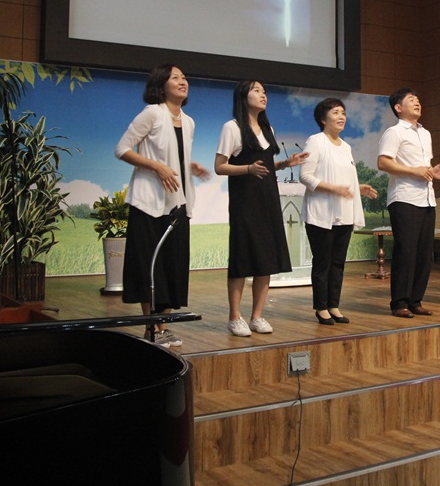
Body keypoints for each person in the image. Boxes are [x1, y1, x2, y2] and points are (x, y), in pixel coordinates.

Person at [115, 64, 210, 348]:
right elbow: (122, 149)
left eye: (184, 77)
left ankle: (163, 326)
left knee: (173, 264)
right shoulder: (152, 113)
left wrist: (189, 165)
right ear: (161, 84)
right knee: (149, 264)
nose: (183, 81)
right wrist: (156, 166)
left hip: (178, 202)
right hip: (148, 202)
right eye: (175, 77)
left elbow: (174, 154)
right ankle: (150, 327)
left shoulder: (188, 122)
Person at [214, 80, 308, 337]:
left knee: (266, 258)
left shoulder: (268, 129)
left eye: (264, 91)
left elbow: (265, 166)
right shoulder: (232, 128)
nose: (263, 95)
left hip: (268, 199)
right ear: (243, 97)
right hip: (245, 201)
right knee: (242, 256)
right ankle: (235, 317)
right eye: (256, 91)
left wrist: (284, 164)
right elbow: (219, 166)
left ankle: (257, 316)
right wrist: (247, 169)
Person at [300, 98, 378, 325]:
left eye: (343, 112)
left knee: (338, 263)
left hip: (343, 213)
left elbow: (345, 178)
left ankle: (333, 305)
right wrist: (332, 188)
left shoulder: (346, 147)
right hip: (321, 213)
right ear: (323, 119)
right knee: (322, 262)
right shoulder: (315, 142)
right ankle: (321, 308)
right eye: (335, 112)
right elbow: (305, 176)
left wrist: (358, 188)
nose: (341, 116)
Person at [377, 88, 440, 318]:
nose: (417, 102)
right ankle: (399, 303)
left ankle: (415, 300)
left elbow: (423, 168)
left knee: (424, 254)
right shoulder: (394, 132)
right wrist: (415, 171)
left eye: (418, 99)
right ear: (398, 107)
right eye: (411, 100)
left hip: (426, 199)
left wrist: (431, 172)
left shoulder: (425, 133)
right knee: (406, 252)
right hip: (404, 198)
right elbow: (383, 162)